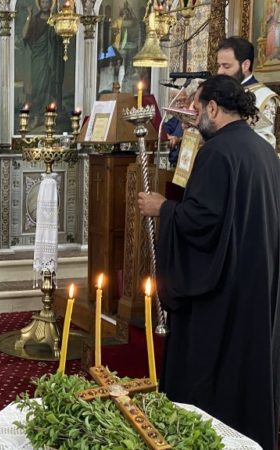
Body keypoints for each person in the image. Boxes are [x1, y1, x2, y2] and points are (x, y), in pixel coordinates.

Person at [137, 75, 280, 450]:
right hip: (257, 279)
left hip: (222, 289)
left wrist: (163, 208)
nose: (194, 115)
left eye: (198, 107)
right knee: (247, 370)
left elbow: (202, 222)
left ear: (213, 108)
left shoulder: (216, 153)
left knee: (212, 372)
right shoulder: (264, 151)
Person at [217, 36, 279, 149]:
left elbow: (265, 143)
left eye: (226, 66)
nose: (220, 71)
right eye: (219, 66)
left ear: (245, 65)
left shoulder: (264, 97)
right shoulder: (219, 90)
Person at [22, 0, 64, 128]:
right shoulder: (35, 19)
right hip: (38, 58)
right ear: (39, 4)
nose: (45, 5)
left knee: (50, 86)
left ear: (51, 4)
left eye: (47, 2)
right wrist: (29, 16)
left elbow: (60, 37)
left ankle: (49, 115)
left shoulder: (54, 20)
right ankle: (36, 116)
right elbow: (24, 35)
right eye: (43, 2)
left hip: (51, 59)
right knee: (38, 87)